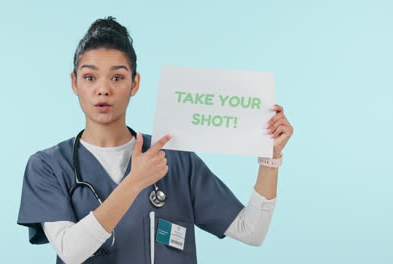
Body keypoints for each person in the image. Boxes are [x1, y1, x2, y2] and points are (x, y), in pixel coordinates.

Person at [17, 16, 294, 264]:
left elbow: (252, 231)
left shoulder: (176, 158)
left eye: (117, 77)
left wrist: (270, 158)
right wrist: (135, 181)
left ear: (134, 84)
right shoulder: (48, 166)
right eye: (90, 77)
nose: (103, 89)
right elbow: (70, 251)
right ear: (74, 83)